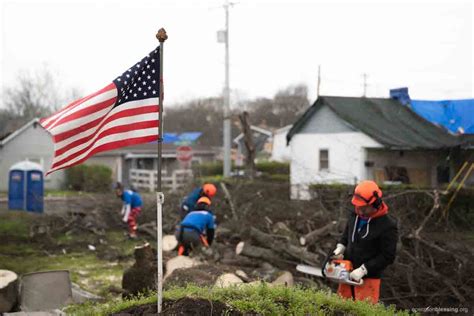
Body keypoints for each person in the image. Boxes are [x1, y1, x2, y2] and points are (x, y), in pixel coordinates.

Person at [333, 180, 398, 304]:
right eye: (357, 206)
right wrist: (341, 246)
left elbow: (388, 256)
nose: (360, 210)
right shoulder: (355, 215)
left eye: (363, 208)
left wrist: (364, 269)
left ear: (376, 203)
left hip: (368, 280)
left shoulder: (387, 226)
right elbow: (347, 233)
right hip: (346, 273)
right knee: (340, 308)